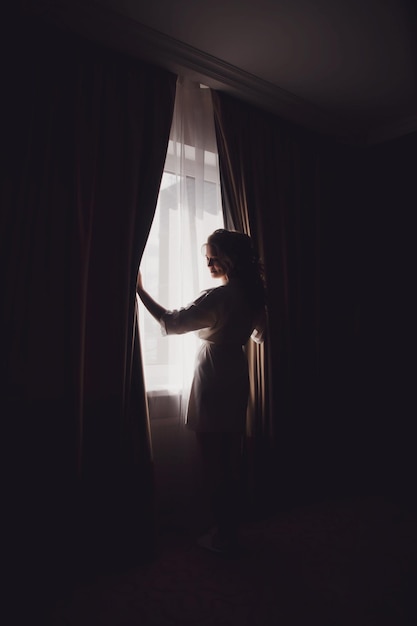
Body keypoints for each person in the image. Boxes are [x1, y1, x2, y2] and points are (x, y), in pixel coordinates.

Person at [137, 228, 266, 555]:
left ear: (228, 259)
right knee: (230, 458)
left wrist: (140, 291)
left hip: (213, 376)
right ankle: (229, 529)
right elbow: (262, 336)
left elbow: (172, 322)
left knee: (213, 461)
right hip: (236, 373)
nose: (208, 263)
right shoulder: (253, 295)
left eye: (212, 258)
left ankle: (222, 534)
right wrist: (233, 330)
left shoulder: (219, 297)